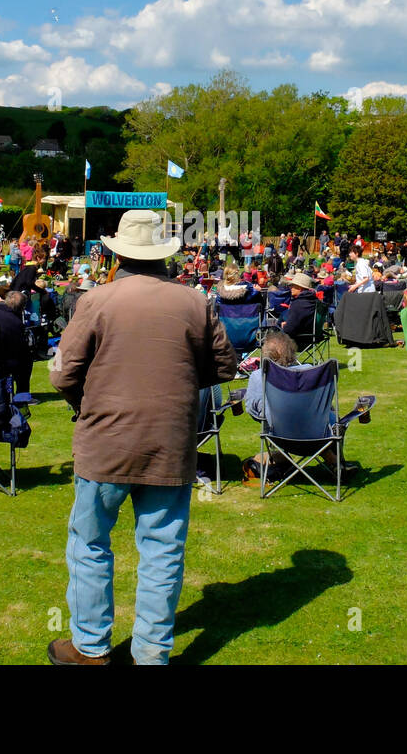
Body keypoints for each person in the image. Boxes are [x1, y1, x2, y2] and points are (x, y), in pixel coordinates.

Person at [49, 209, 236, 666]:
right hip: (170, 440)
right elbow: (225, 367)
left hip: (106, 440)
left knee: (90, 543)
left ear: (119, 254)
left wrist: (86, 402)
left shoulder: (96, 301)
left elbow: (62, 375)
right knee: (162, 549)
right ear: (163, 257)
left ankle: (90, 647)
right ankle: (151, 653)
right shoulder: (196, 301)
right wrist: (180, 385)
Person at [242, 331, 358, 476]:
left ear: (266, 354)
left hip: (279, 436)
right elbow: (326, 405)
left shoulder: (258, 377)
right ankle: (335, 462)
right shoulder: (312, 372)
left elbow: (252, 411)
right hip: (319, 437)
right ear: (292, 350)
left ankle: (282, 459)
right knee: (331, 417)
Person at [280, 271, 317, 340]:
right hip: (312, 336)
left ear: (299, 288)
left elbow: (288, 330)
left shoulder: (298, 303)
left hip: (297, 339)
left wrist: (285, 326)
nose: (290, 288)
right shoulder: (313, 300)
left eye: (292, 286)